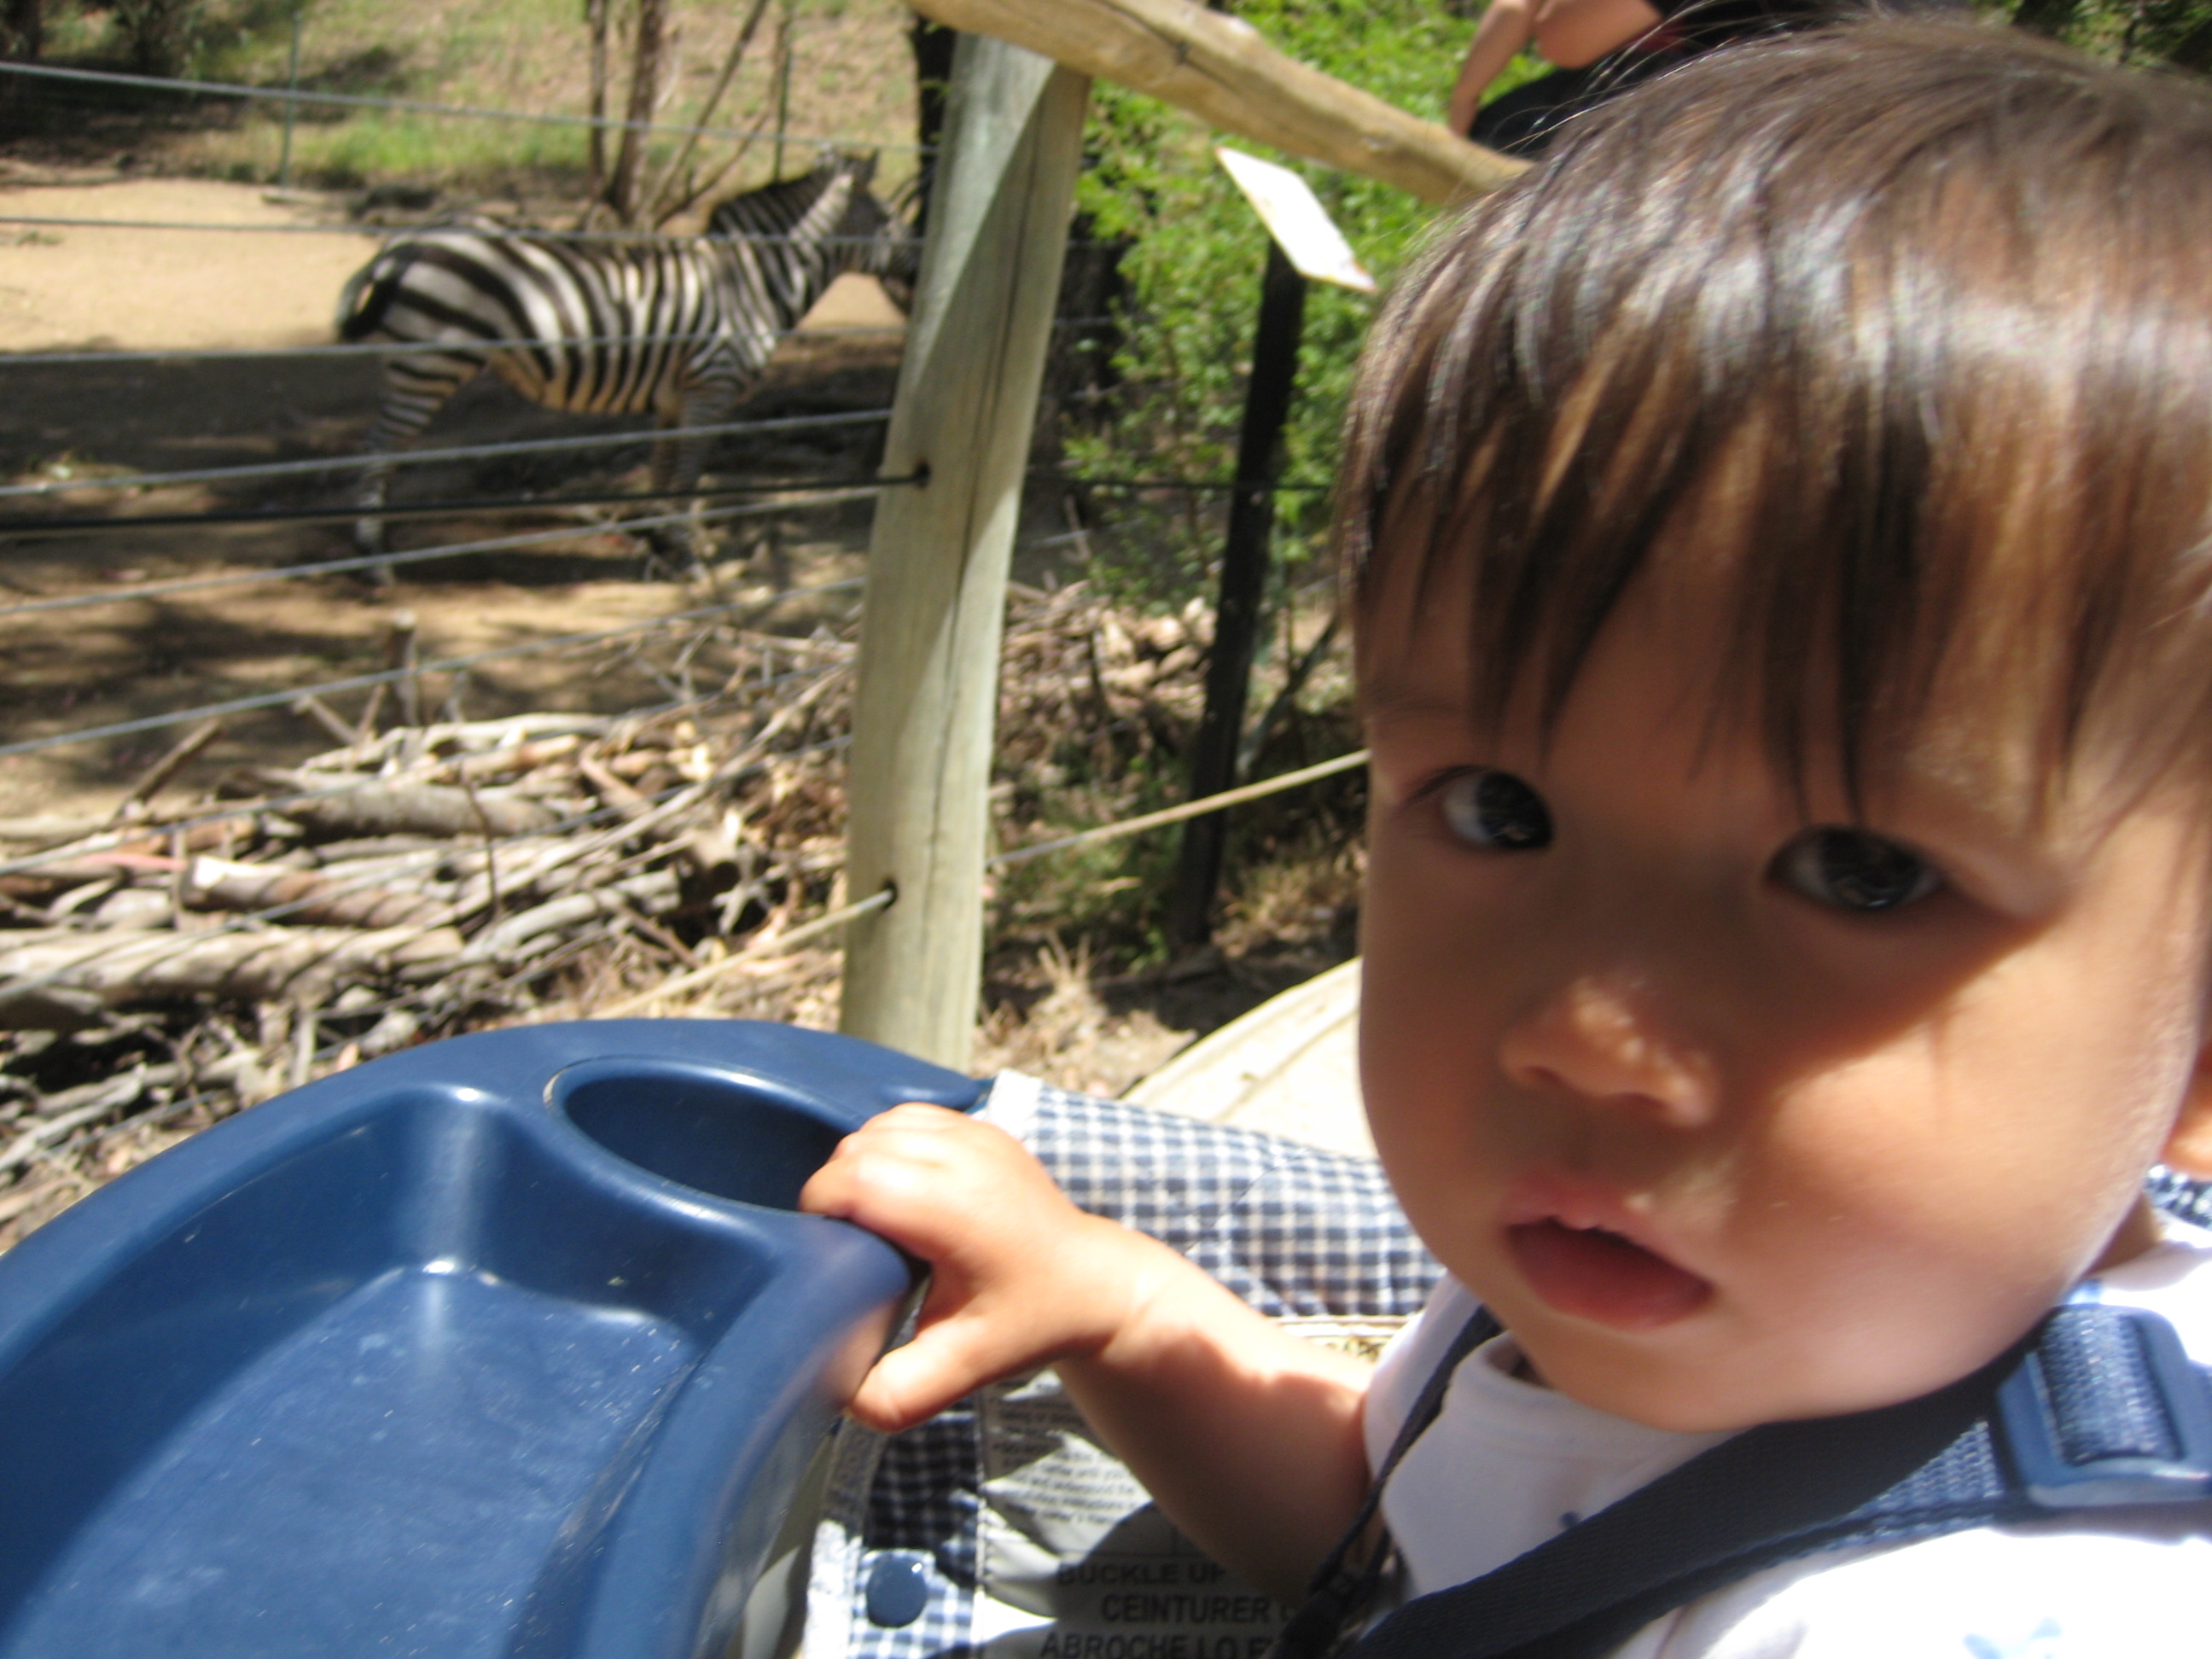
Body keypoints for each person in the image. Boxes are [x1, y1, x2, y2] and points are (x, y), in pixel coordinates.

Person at [801, 20, 2212, 1654]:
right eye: (1504, 810)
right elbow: (1410, 1539)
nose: (1587, 1034)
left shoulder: (1963, 1614)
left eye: (1861, 871)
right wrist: (1125, 1312)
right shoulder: (1632, 1277)